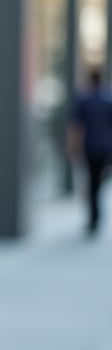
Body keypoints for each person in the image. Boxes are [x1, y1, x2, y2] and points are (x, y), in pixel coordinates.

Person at [69, 69, 112, 236]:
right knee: (98, 182)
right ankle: (96, 216)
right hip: (106, 147)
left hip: (90, 146)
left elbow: (76, 127)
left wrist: (72, 147)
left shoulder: (84, 100)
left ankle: (94, 218)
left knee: (93, 182)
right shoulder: (108, 100)